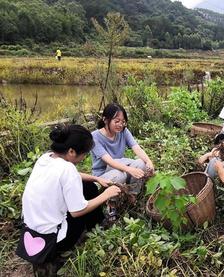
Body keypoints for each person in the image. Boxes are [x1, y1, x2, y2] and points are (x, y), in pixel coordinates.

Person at [21, 125, 121, 275]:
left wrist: (95, 178)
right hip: (54, 239)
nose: (84, 158)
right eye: (84, 154)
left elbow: (73, 175)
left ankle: (97, 223)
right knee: (89, 198)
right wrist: (106, 195)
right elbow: (77, 211)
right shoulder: (67, 170)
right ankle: (94, 229)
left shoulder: (46, 157)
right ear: (71, 151)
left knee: (88, 186)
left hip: (30, 230)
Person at [91, 103, 154, 185]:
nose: (120, 125)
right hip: (103, 175)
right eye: (117, 121)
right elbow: (109, 161)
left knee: (141, 163)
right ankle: (112, 196)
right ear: (105, 120)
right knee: (119, 175)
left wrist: (148, 161)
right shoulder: (95, 137)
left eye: (123, 121)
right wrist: (129, 169)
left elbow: (137, 148)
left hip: (121, 168)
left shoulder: (123, 131)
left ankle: (132, 194)